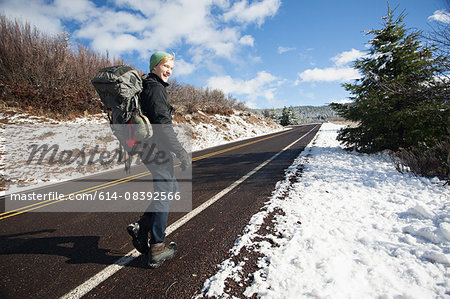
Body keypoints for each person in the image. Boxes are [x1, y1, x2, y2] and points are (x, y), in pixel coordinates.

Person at [127, 51, 191, 268]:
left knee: (170, 188)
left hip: (149, 148)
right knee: (165, 191)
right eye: (166, 66)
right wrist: (181, 152)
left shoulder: (151, 87)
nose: (169, 71)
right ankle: (157, 247)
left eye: (171, 68)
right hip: (156, 149)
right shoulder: (154, 89)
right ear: (154, 66)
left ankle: (141, 226)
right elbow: (163, 125)